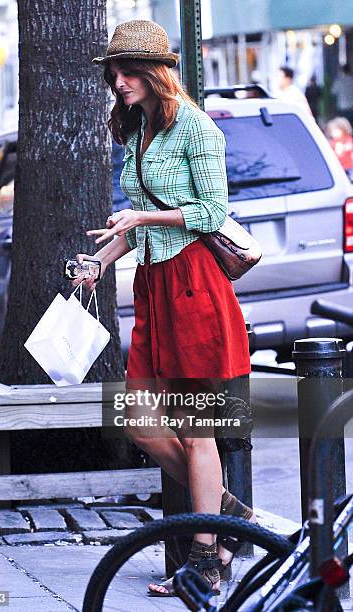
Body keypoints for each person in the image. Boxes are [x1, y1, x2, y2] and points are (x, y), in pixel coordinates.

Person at [71, 19, 255, 597]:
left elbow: (210, 210)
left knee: (198, 430)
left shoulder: (196, 128)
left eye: (127, 71)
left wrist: (142, 219)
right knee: (138, 419)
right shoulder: (139, 132)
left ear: (156, 73)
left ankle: (207, 560)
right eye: (114, 72)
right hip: (153, 286)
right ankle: (229, 515)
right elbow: (137, 221)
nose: (118, 81)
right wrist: (102, 260)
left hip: (194, 286)